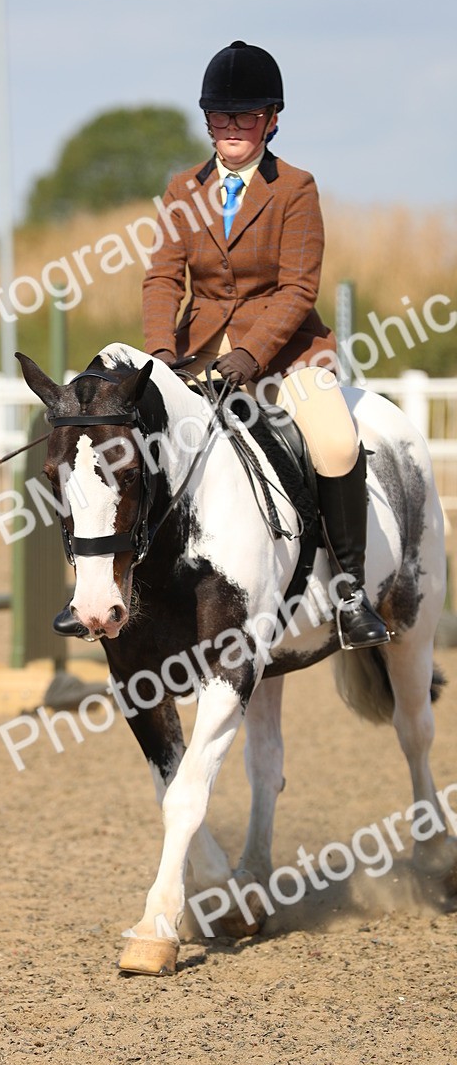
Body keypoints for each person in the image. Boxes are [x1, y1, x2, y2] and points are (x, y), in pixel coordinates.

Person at [139, 40, 389, 651]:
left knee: (333, 442)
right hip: (198, 353)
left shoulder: (296, 189)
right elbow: (163, 277)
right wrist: (161, 355)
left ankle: (351, 591)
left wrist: (250, 355)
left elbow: (299, 287)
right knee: (132, 441)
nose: (230, 129)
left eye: (244, 118)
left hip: (285, 354)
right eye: (220, 117)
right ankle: (123, 587)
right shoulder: (181, 190)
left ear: (272, 119)